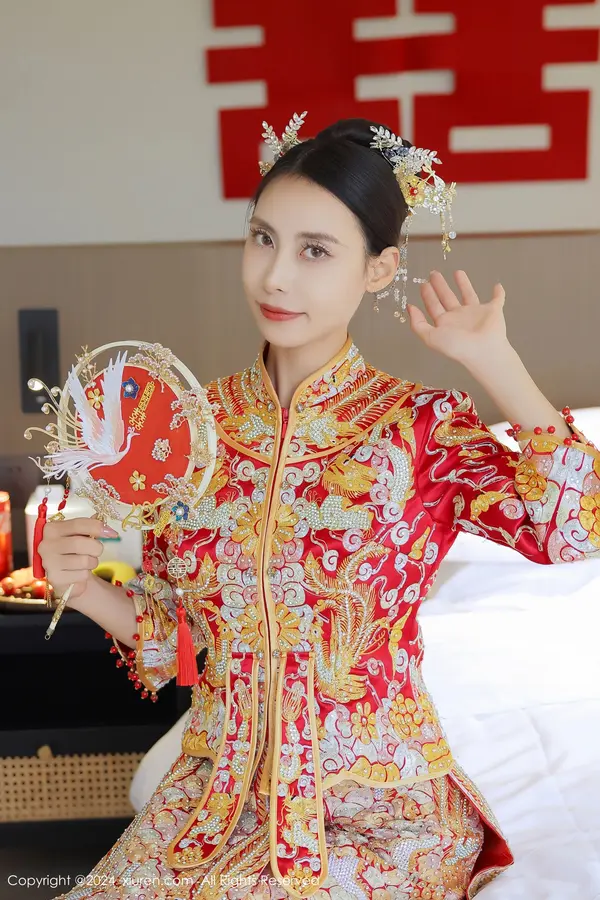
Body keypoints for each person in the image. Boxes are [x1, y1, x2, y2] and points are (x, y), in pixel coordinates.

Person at [40, 117, 599, 900]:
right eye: (263, 239)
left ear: (379, 269)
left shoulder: (419, 429)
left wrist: (494, 362)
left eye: (315, 251)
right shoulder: (192, 430)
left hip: (383, 810)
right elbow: (184, 639)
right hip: (215, 800)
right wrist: (81, 586)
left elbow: (575, 531)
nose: (275, 277)